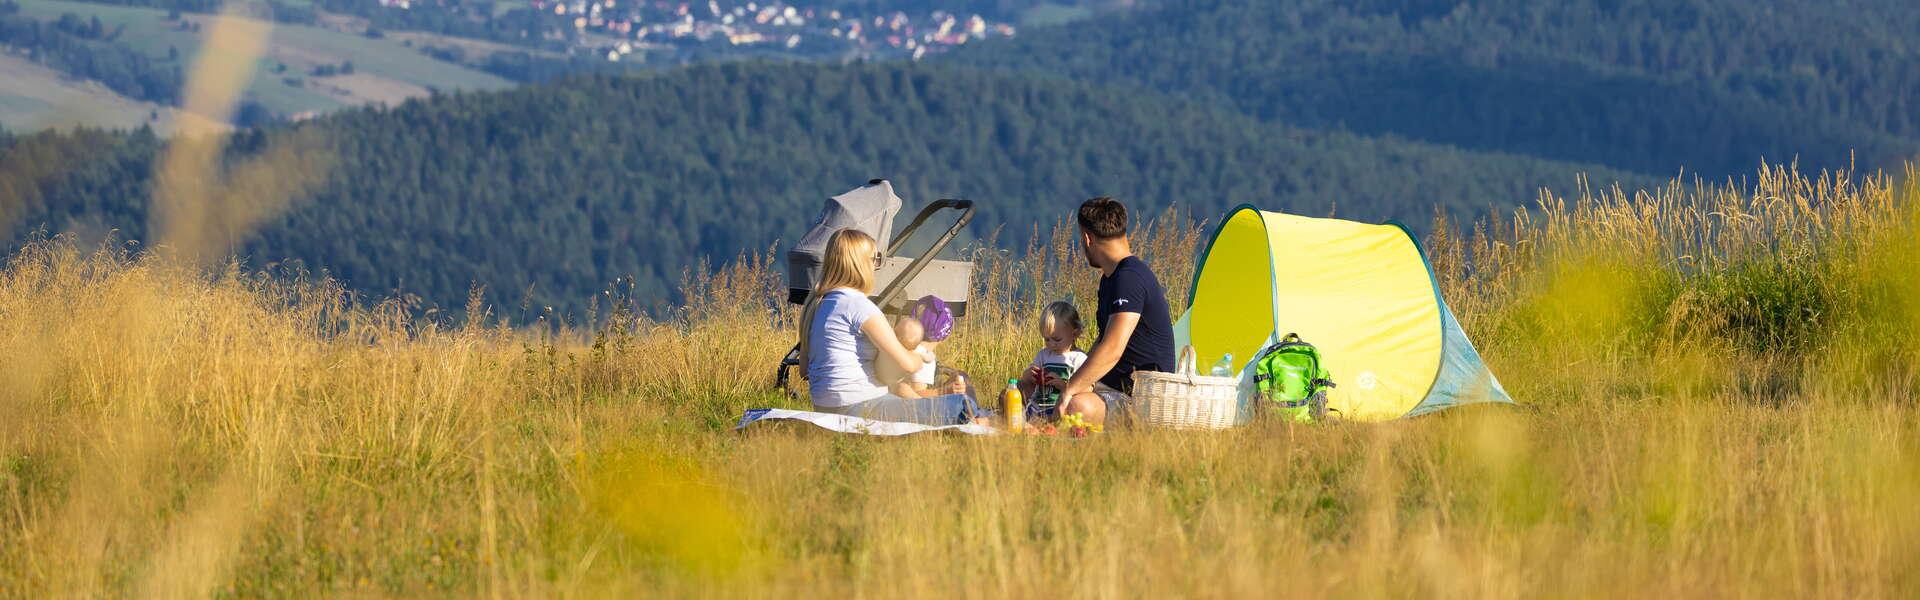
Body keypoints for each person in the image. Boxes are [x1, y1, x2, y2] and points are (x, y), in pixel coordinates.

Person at [803, 229, 983, 425]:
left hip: (825, 408)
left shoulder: (815, 305)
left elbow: (805, 370)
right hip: (862, 407)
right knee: (965, 403)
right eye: (874, 259)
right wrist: (921, 352)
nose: (875, 266)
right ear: (860, 264)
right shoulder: (859, 306)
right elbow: (907, 364)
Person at [1057, 197, 1176, 428]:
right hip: (1111, 386)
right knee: (1041, 389)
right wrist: (1077, 380)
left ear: (1087, 238)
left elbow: (1112, 349)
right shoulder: (1111, 279)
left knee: (1076, 406)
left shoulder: (1129, 279)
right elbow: (1102, 341)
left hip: (1139, 396)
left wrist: (1071, 390)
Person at [882, 295, 967, 399]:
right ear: (945, 335)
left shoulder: (902, 345)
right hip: (902, 406)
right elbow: (917, 394)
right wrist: (944, 391)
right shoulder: (925, 359)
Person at [1018, 300, 1088, 422]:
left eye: (1057, 339)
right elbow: (1027, 379)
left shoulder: (1079, 357)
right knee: (1013, 391)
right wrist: (1029, 375)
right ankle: (1025, 420)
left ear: (1074, 334)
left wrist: (1064, 386)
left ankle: (1047, 423)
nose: (1052, 345)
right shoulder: (1044, 355)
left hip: (1060, 407)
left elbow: (1088, 389)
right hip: (1036, 406)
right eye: (1047, 339)